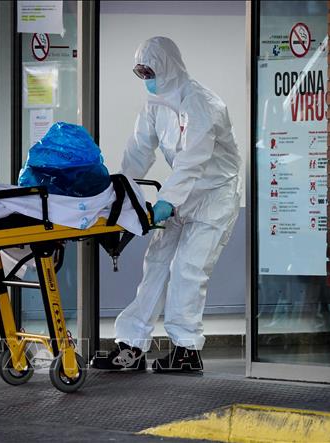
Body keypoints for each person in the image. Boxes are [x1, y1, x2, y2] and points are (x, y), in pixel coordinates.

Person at [91, 37, 241, 373]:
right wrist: (119, 192)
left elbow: (192, 161)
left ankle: (186, 350)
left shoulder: (202, 103)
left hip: (215, 196)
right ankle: (131, 345)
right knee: (156, 263)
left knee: (188, 269)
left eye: (150, 71)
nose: (146, 78)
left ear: (168, 66)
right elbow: (138, 150)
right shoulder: (155, 104)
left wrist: (166, 201)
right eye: (141, 72)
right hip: (182, 194)